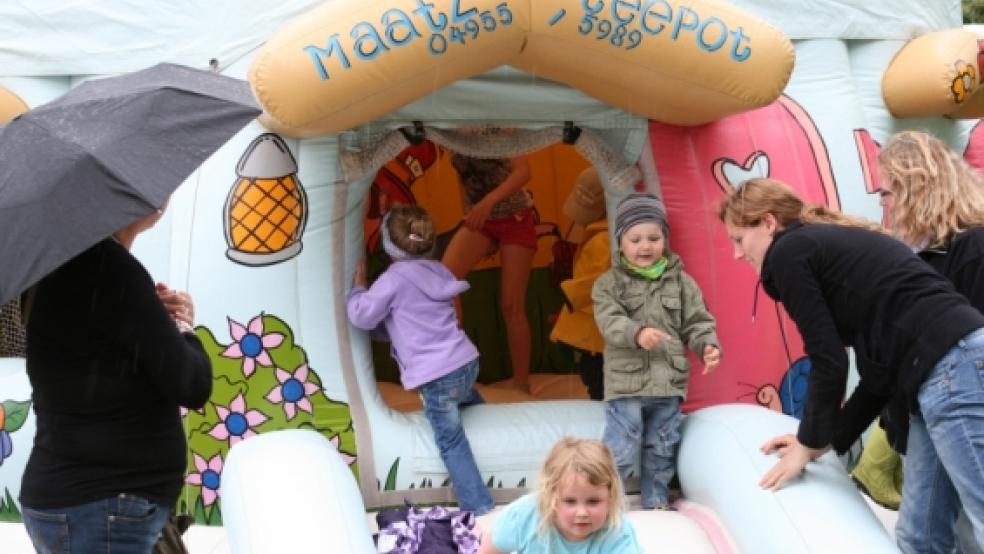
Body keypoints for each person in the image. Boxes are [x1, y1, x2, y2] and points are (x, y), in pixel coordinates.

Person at [718, 177, 984, 553]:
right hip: (936, 376)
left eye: (737, 239)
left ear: (768, 223)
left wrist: (807, 442)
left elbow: (828, 358)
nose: (736, 254)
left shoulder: (789, 252)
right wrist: (823, 442)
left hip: (954, 368)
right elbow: (876, 378)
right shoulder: (827, 252)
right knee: (919, 535)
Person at [20, 204, 213, 553]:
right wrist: (184, 325)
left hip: (75, 498)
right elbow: (192, 383)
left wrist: (149, 315)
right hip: (104, 509)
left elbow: (101, 353)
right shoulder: (110, 268)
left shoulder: (63, 268)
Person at [854, 129, 984, 550]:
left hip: (959, 404)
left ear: (916, 190)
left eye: (887, 193)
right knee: (919, 533)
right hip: (924, 412)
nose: (884, 205)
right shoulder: (912, 254)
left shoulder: (971, 248)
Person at [348, 204, 494, 515]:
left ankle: (479, 506)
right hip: (466, 361)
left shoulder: (392, 280)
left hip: (438, 376)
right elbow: (413, 317)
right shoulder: (438, 270)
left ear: (388, 246)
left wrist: (357, 290)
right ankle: (488, 422)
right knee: (461, 395)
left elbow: (361, 316)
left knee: (450, 441)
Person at [592, 193, 722, 510]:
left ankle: (656, 500)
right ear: (620, 242)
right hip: (627, 384)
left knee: (662, 445)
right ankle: (608, 505)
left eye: (654, 237)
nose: (645, 246)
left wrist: (707, 344)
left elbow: (696, 320)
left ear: (665, 238)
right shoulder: (609, 284)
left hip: (668, 382)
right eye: (635, 239)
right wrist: (637, 333)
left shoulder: (681, 282)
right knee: (621, 446)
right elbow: (610, 321)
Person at [442, 154, 536, 392]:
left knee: (511, 305)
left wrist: (489, 201)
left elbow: (523, 172)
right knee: (444, 282)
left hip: (514, 215)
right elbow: (462, 174)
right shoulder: (448, 130)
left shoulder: (499, 126)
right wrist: (469, 209)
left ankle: (521, 385)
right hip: (481, 219)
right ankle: (453, 372)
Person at [477, 437, 643, 553]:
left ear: (610, 498)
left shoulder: (618, 532)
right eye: (570, 501)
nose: (582, 513)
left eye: (593, 502)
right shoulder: (523, 517)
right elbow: (488, 551)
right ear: (550, 496)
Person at [550, 167, 610, 400]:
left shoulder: (604, 240)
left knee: (600, 385)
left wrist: (572, 294)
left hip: (598, 335)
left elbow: (602, 281)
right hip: (594, 332)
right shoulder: (603, 235)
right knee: (597, 380)